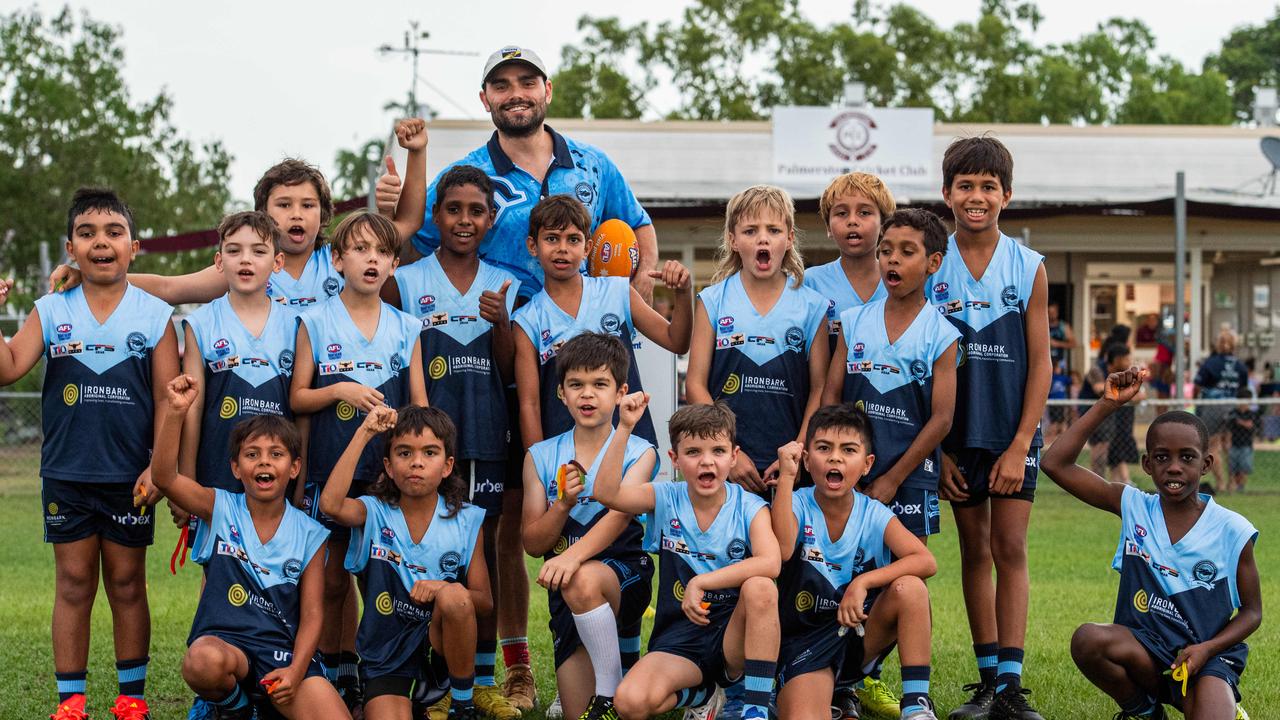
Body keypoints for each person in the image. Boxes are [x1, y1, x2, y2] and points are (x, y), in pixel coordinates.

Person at [0, 188, 179, 720]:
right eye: (87, 234)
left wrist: (157, 465)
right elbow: (9, 367)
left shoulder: (156, 315)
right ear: (71, 249)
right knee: (74, 583)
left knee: (127, 583)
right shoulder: (52, 309)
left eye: (113, 232)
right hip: (67, 472)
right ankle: (71, 701)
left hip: (131, 477)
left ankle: (131, 699)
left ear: (134, 246)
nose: (101, 242)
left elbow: (174, 400)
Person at [1042, 368, 1261, 720]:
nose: (1174, 467)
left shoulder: (1232, 529)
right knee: (1088, 640)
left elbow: (1252, 613)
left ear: (1206, 464)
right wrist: (1106, 404)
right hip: (1146, 649)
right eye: (1162, 457)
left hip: (1204, 658)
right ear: (1147, 464)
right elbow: (1054, 463)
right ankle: (1145, 711)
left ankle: (1220, 702)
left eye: (1187, 457)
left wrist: (1206, 650)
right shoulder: (1133, 506)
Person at [383, 164, 521, 719]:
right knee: (409, 553)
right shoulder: (406, 281)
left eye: (476, 211)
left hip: (485, 435)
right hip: (420, 445)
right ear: (436, 216)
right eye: (453, 209)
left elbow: (510, 370)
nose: (465, 220)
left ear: (490, 220)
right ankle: (419, 675)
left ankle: (477, 680)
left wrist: (502, 325)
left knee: (478, 553)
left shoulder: (501, 281)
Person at [47, 122, 427, 307]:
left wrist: (417, 153)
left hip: (319, 399)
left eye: (307, 206)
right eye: (283, 205)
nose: (296, 214)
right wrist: (91, 276)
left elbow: (406, 224)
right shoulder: (247, 265)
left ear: (324, 215)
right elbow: (169, 288)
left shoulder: (341, 260)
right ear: (262, 214)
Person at [930, 137, 1050, 720]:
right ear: (946, 192)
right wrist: (936, 454)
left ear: (1007, 194)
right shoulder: (932, 264)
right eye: (965, 186)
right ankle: (984, 684)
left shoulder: (1028, 266)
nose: (976, 197)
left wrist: (1022, 442)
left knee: (1010, 548)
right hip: (954, 441)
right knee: (974, 550)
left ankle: (1011, 686)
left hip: (1010, 436)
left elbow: (1042, 362)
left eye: (988, 186)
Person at [820, 208, 957, 717]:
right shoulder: (852, 321)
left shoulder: (942, 334)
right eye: (886, 250)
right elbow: (833, 398)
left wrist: (894, 477)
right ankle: (841, 684)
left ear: (934, 262)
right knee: (842, 575)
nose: (892, 260)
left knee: (902, 583)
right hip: (849, 477)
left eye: (907, 251)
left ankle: (892, 686)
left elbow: (941, 420)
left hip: (909, 481)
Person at [290, 211, 428, 708]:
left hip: (385, 481)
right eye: (360, 249)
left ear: (394, 263)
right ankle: (335, 671)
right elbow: (299, 398)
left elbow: (420, 407)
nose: (370, 259)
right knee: (328, 580)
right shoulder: (315, 319)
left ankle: (390, 674)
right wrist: (339, 391)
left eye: (380, 252)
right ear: (337, 258)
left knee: (383, 579)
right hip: (328, 470)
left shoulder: (406, 326)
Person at [152, 376, 348, 719]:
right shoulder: (220, 507)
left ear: (294, 468)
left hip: (282, 655)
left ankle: (267, 703)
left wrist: (297, 670)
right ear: (236, 467)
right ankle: (236, 709)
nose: (264, 462)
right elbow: (165, 478)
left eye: (276, 454)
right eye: (252, 455)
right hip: (229, 649)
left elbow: (314, 614)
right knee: (202, 661)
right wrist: (176, 412)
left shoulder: (310, 532)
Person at [408, 46, 659, 303]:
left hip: (584, 331)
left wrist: (644, 277)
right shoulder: (465, 178)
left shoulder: (593, 164)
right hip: (499, 334)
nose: (516, 95)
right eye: (501, 86)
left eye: (528, 83)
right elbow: (413, 245)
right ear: (485, 99)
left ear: (547, 91)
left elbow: (638, 223)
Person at [597, 402, 781, 720]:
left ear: (733, 457)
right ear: (675, 459)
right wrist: (625, 427)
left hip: (732, 640)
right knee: (629, 702)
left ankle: (754, 707)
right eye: (693, 452)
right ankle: (704, 695)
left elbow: (771, 562)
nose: (706, 461)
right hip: (680, 637)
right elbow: (607, 492)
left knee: (761, 587)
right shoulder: (667, 497)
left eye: (718, 451)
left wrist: (701, 581)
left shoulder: (750, 506)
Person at [320, 405, 490, 720]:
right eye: (404, 453)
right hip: (386, 657)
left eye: (429, 453)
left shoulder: (467, 520)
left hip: (439, 654)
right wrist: (365, 432)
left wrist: (442, 587)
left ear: (448, 465)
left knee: (455, 596)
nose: (416, 462)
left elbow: (483, 601)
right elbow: (330, 504)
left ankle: (462, 705)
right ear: (388, 465)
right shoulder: (373, 512)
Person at [521, 333, 657, 719]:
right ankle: (606, 689)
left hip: (624, 576)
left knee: (581, 579)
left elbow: (619, 517)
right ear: (561, 393)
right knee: (575, 714)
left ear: (621, 392)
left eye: (600, 384)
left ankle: (610, 697)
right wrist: (562, 503)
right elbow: (533, 542)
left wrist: (573, 557)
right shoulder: (541, 456)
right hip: (566, 593)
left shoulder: (640, 451)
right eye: (576, 385)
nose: (587, 395)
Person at [773, 405, 940, 720]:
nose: (835, 458)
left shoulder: (873, 513)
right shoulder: (795, 502)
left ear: (866, 465)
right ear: (807, 460)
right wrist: (786, 477)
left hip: (857, 637)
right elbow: (782, 550)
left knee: (911, 588)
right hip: (805, 643)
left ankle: (916, 704)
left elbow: (925, 560)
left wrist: (864, 582)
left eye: (848, 450)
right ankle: (812, 694)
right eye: (824, 448)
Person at [512, 194, 692, 449]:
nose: (562, 248)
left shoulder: (618, 292)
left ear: (587, 248)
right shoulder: (526, 320)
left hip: (630, 453)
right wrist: (540, 466)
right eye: (552, 238)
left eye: (573, 239)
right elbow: (529, 405)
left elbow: (677, 341)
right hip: (567, 464)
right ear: (533, 246)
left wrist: (683, 293)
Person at [685, 185, 829, 494]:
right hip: (725, 464)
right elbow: (695, 383)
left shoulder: (813, 305)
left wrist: (798, 451)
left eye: (774, 229)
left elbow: (820, 388)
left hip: (788, 466)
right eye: (750, 230)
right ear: (733, 240)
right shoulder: (712, 300)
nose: (762, 238)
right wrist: (728, 452)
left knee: (783, 544)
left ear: (789, 238)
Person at [172, 211, 297, 521]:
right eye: (234, 250)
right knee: (216, 567)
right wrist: (185, 483)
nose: (246, 260)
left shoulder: (298, 325)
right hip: (217, 471)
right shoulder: (199, 324)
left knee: (278, 566)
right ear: (219, 261)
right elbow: (192, 408)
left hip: (278, 478)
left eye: (258, 251)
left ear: (277, 263)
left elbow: (301, 409)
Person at [802, 172, 894, 358]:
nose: (852, 220)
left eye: (864, 212)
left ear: (884, 225)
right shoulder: (809, 283)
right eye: (842, 213)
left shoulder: (902, 282)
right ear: (828, 227)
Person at [1194, 331, 1249, 493]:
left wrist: (1197, 401)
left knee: (1212, 446)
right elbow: (1243, 389)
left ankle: (1221, 482)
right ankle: (1233, 483)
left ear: (1218, 344)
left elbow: (1198, 385)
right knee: (1229, 445)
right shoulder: (1240, 366)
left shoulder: (1210, 363)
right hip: (1233, 406)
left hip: (1213, 407)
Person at [1226, 387, 1258, 494]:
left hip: (1246, 444)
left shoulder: (1252, 414)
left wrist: (1241, 422)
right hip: (1234, 443)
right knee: (1233, 467)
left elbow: (1252, 426)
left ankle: (1241, 487)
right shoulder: (1233, 413)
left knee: (1243, 467)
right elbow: (1229, 429)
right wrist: (1228, 443)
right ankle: (1232, 486)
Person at [1047, 302, 1075, 374]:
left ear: (1057, 312)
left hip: (1060, 362)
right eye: (1050, 312)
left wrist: (1057, 344)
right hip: (1046, 361)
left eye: (1054, 312)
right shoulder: (1043, 326)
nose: (1052, 315)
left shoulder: (1063, 326)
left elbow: (1073, 344)